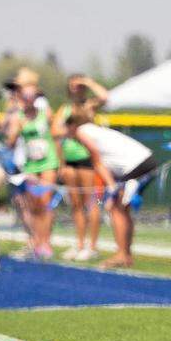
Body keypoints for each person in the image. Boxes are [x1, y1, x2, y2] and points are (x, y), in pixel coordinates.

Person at [65, 115, 158, 269]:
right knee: (122, 209)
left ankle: (122, 254)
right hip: (143, 162)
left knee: (115, 208)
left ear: (73, 126)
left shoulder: (82, 131)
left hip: (136, 165)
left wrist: (112, 187)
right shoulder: (96, 131)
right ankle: (126, 255)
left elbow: (97, 160)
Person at [52, 74, 108, 261]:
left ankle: (92, 246)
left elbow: (104, 97)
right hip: (69, 160)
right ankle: (80, 243)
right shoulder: (65, 109)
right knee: (76, 205)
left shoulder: (89, 106)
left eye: (80, 86)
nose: (77, 89)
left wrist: (89, 82)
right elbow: (55, 131)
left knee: (91, 203)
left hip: (86, 159)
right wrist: (70, 131)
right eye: (74, 86)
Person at [4, 69, 58, 260]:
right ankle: (36, 241)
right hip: (31, 165)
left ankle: (46, 242)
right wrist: (12, 127)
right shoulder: (19, 117)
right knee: (33, 205)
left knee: (45, 202)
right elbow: (10, 142)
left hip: (48, 161)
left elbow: (57, 134)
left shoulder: (45, 112)